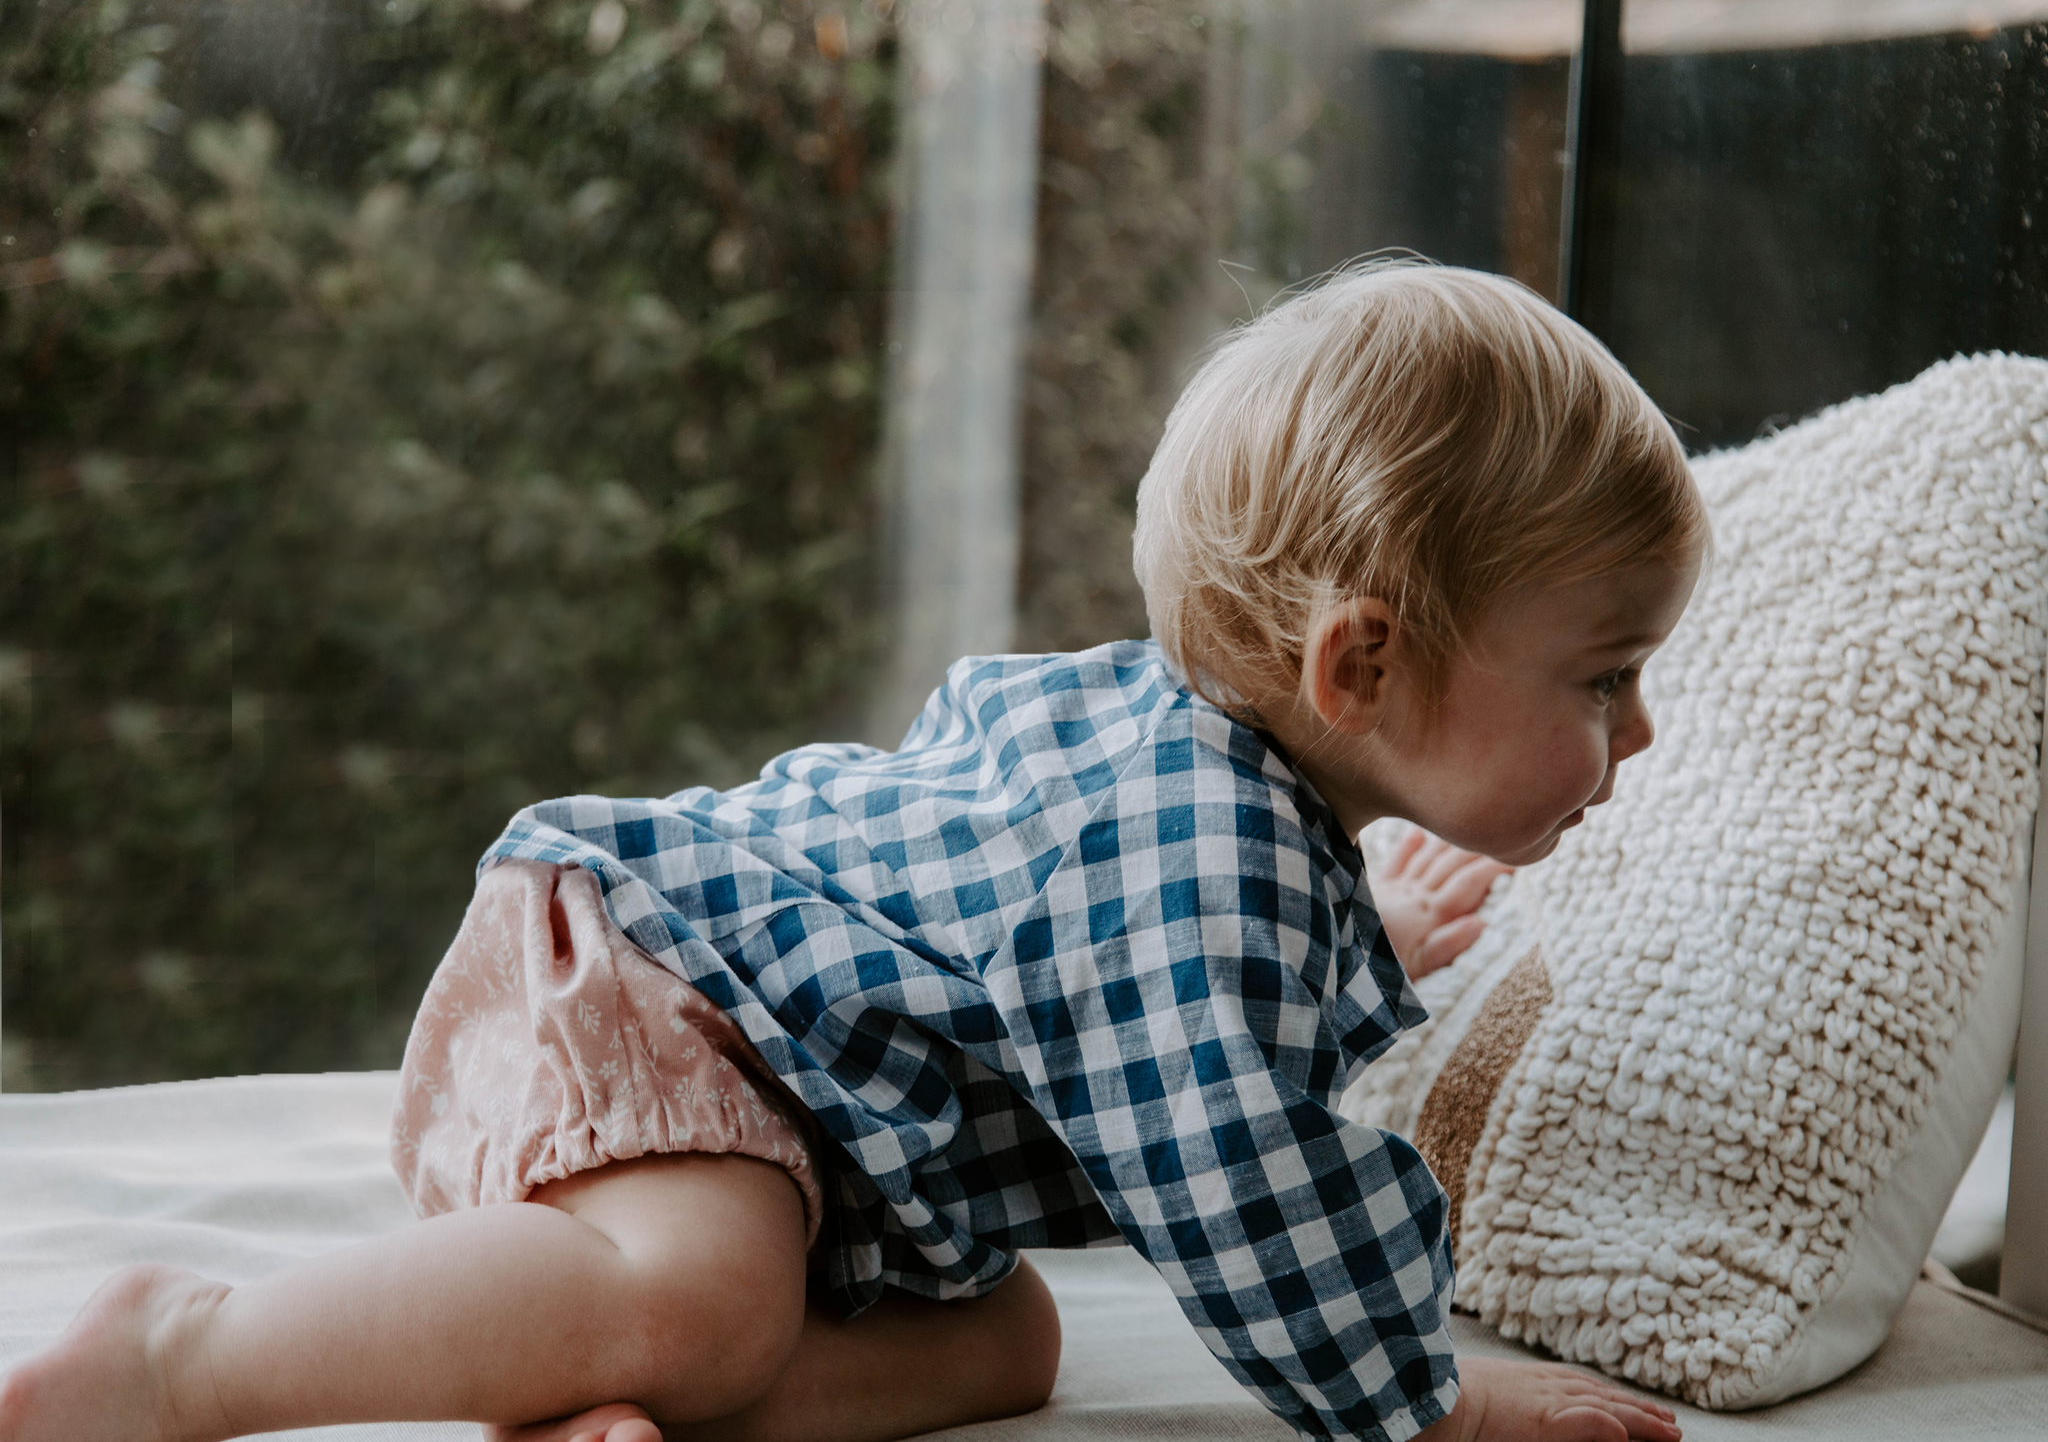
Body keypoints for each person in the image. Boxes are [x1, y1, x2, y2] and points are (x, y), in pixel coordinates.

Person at [0, 261, 1706, 1442]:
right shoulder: (1191, 851)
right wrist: (1429, 1401)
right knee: (714, 1307)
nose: (1636, 737)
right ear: (1362, 665)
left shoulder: (1222, 798)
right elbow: (1253, 1183)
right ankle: (182, 1360)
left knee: (1010, 1343)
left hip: (787, 1133)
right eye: (1603, 677)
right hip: (667, 998)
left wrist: (1367, 936)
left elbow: (1203, 982)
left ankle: (587, 1380)